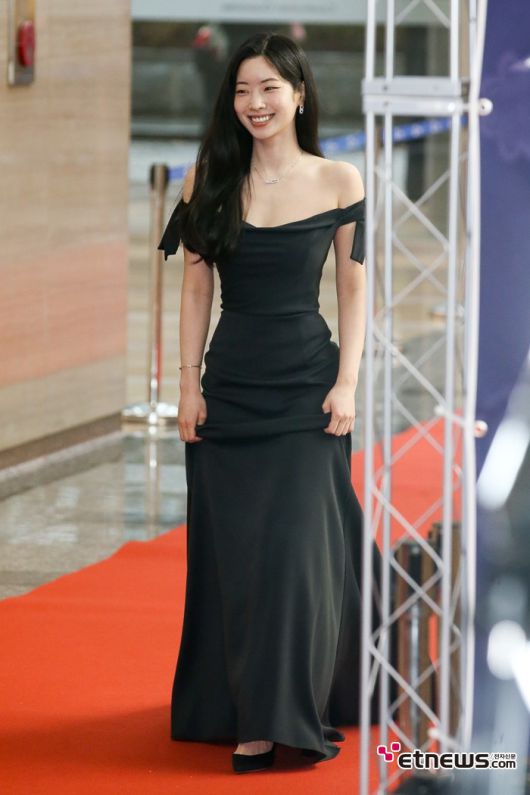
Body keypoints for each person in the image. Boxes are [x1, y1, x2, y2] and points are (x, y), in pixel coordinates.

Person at [158, 32, 382, 775]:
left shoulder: (339, 179)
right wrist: (187, 385)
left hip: (306, 392)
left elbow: (353, 288)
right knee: (238, 557)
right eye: (242, 90)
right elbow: (195, 288)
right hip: (229, 393)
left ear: (299, 94)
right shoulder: (209, 179)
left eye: (269, 89)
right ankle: (242, 705)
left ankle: (278, 715)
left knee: (293, 557)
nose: (255, 103)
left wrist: (347, 382)